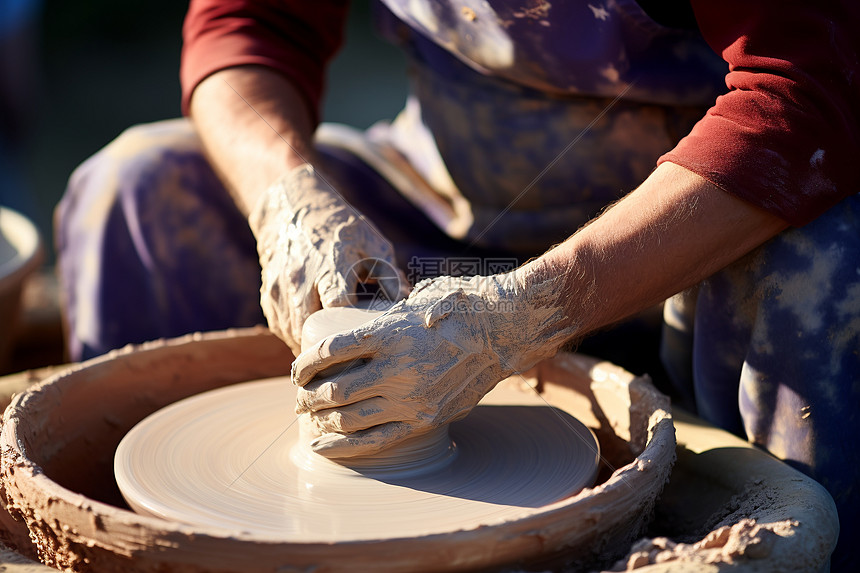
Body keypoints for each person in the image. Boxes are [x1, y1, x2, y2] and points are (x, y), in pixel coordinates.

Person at [57, 1, 859, 568]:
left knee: (823, 264)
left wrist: (523, 313)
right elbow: (248, 24)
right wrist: (288, 203)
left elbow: (806, 86)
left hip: (686, 232)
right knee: (137, 189)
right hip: (439, 205)